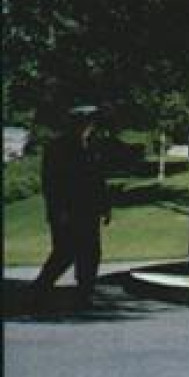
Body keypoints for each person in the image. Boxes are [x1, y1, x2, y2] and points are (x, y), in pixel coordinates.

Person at [31, 105, 113, 308]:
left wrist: (105, 206)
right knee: (64, 252)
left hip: (89, 211)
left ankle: (84, 294)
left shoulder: (91, 147)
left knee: (90, 253)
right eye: (86, 122)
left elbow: (98, 180)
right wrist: (58, 211)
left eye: (91, 123)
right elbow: (52, 183)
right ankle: (39, 290)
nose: (89, 127)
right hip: (67, 211)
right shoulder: (58, 148)